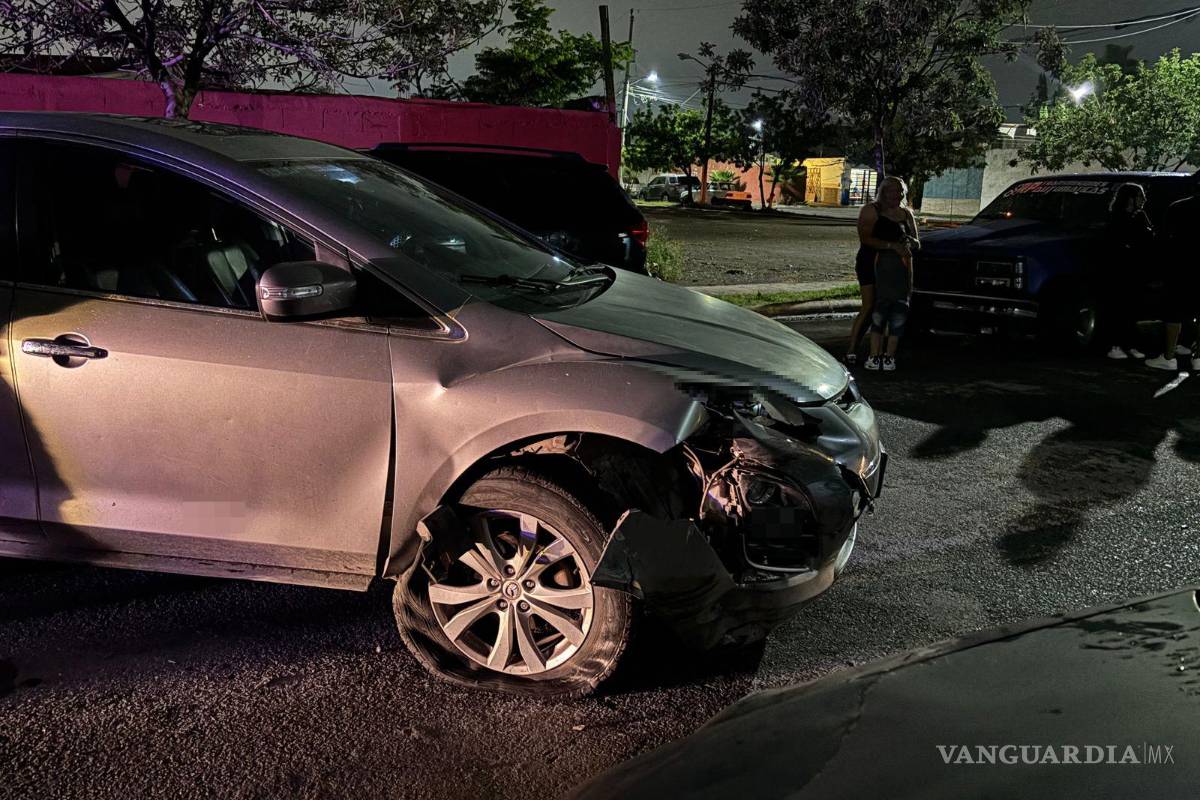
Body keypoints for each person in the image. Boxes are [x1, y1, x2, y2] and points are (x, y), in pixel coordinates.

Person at [861, 176, 919, 371]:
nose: (895, 195)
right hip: (882, 267)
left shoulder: (906, 214)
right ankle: (874, 355)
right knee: (879, 313)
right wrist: (891, 246)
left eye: (899, 191)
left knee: (898, 315)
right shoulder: (874, 212)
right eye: (890, 191)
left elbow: (917, 243)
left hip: (903, 269)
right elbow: (866, 239)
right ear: (883, 192)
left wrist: (910, 242)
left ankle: (889, 356)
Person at [1146, 180, 1200, 371]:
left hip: (1181, 267)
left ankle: (1169, 357)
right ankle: (1198, 357)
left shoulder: (1178, 207)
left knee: (1174, 314)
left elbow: (1164, 239)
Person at [1102, 183, 1151, 360]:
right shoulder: (1118, 218)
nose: (1143, 200)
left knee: (1131, 309)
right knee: (1119, 308)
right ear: (1130, 198)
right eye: (1140, 196)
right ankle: (1115, 344)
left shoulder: (1139, 216)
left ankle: (1129, 344)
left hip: (1134, 269)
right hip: (1120, 269)